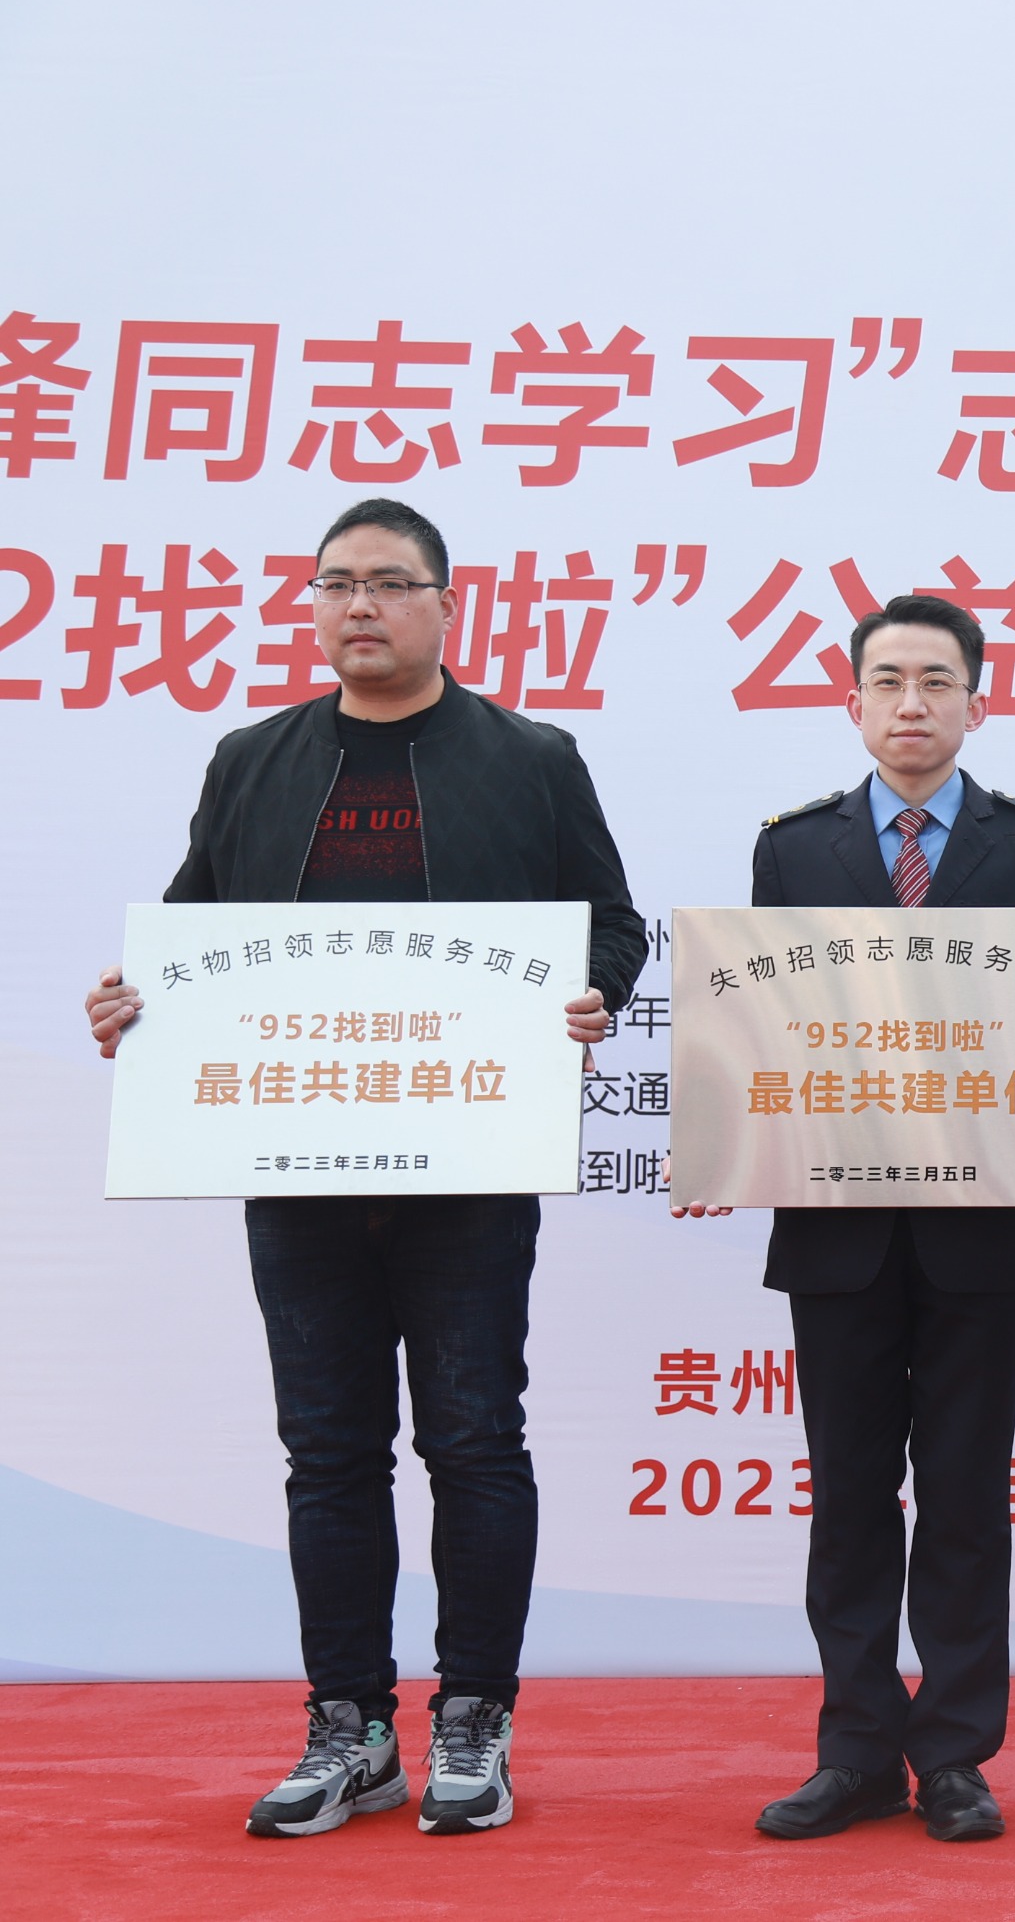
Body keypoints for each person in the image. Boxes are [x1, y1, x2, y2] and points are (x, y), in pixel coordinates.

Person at [81, 497, 645, 1839]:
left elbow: (612, 924)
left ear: (447, 606)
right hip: (300, 1164)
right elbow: (192, 935)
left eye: (390, 583)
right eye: (336, 583)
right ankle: (350, 1727)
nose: (360, 606)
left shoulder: (531, 758)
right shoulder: (253, 761)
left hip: (470, 1161)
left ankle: (474, 1718)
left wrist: (592, 996)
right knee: (328, 1451)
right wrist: (133, 1004)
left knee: (474, 1441)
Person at [672, 593, 1015, 1843]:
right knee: (849, 1496)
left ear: (979, 702)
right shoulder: (794, 849)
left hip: (984, 1222)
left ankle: (957, 1754)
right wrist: (720, 1133)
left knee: (969, 1493)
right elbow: (760, 1025)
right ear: (854, 702)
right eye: (889, 681)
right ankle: (857, 1750)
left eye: (938, 681)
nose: (913, 704)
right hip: (837, 1226)